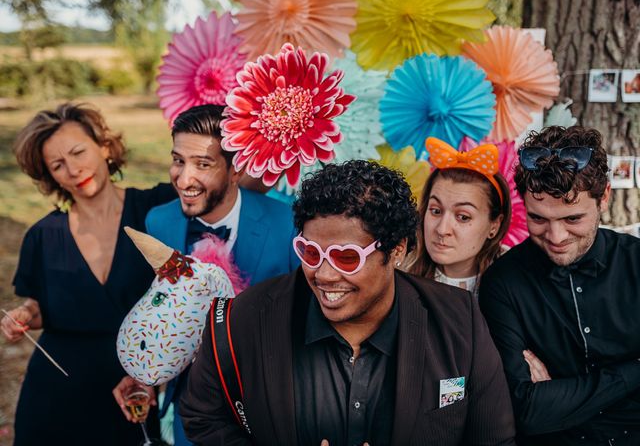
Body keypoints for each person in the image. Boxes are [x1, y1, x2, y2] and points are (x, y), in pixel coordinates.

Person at [180, 160, 516, 446]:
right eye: (310, 252)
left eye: (346, 257)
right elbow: (203, 418)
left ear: (397, 250)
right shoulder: (241, 320)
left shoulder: (460, 320)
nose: (323, 274)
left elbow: (494, 439)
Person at [112, 104, 299, 446]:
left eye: (203, 164)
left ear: (235, 169)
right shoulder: (159, 222)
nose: (183, 179)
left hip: (271, 411)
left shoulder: (287, 224)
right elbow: (162, 315)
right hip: (191, 410)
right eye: (178, 160)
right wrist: (146, 374)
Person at [1, 103, 175, 445]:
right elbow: (41, 309)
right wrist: (23, 315)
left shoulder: (157, 210)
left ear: (105, 147)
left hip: (135, 392)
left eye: (78, 152)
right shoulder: (42, 235)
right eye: (57, 165)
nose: (73, 169)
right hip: (56, 397)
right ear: (50, 176)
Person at [479, 125, 640, 445]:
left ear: (604, 197)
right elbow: (525, 410)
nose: (556, 237)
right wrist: (632, 373)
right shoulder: (503, 282)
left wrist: (560, 394)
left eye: (572, 219)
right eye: (538, 219)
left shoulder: (636, 264)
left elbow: (542, 405)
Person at [407, 137, 511, 295]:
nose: (442, 230)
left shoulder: (514, 285)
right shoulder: (399, 278)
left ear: (494, 225)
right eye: (436, 211)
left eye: (463, 217)